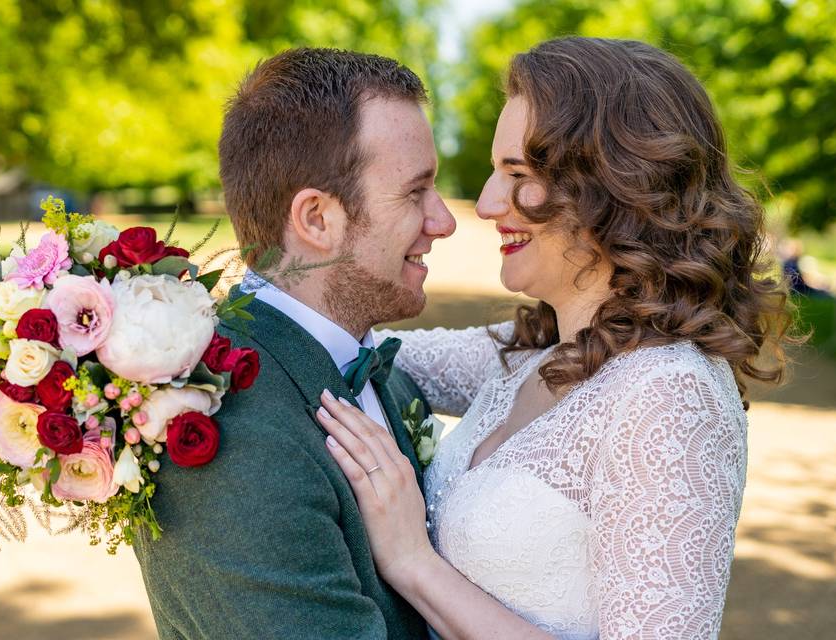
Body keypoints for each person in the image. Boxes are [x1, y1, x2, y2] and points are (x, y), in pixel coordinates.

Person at [316, 37, 794, 639]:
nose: (488, 203)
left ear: (616, 189)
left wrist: (414, 563)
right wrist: (175, 320)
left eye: (516, 173)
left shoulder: (671, 396)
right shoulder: (530, 352)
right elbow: (344, 346)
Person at [134, 48, 455, 639]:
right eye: (416, 192)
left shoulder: (382, 371)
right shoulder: (225, 435)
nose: (444, 220)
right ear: (315, 219)